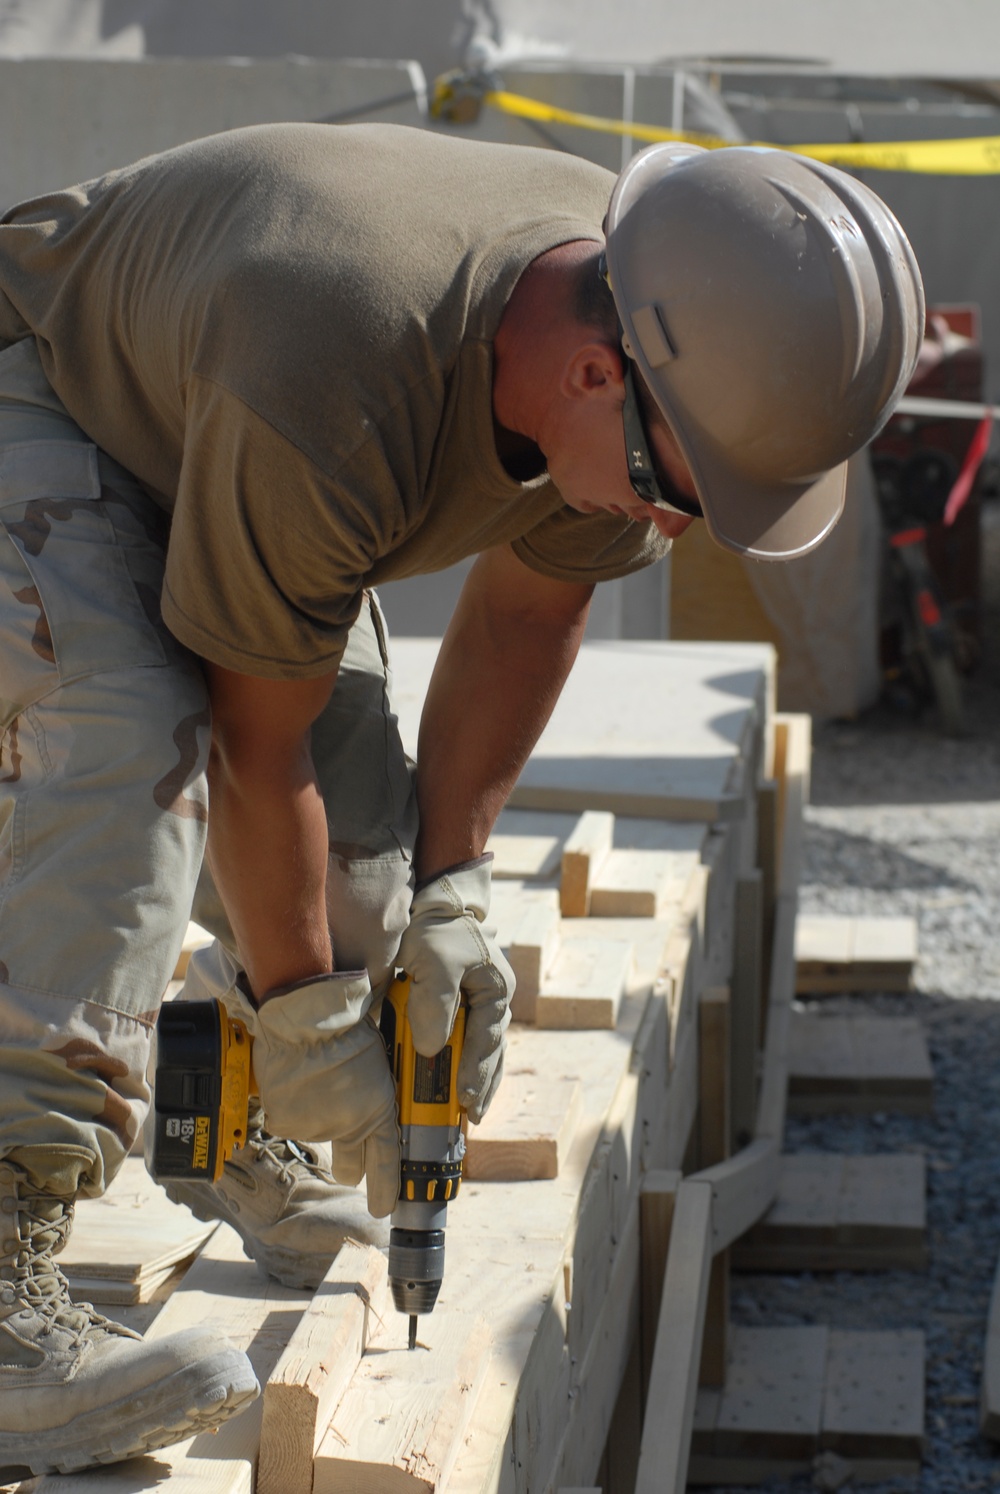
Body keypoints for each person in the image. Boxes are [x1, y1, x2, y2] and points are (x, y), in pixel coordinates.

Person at [0, 121, 923, 1474]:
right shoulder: (334, 362)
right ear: (595, 372)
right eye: (680, 494)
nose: (670, 529)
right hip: (44, 394)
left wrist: (450, 890)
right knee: (148, 737)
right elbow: (262, 751)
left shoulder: (641, 333)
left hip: (208, 432)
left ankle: (211, 1098)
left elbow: (520, 627)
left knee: (362, 907)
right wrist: (309, 1013)